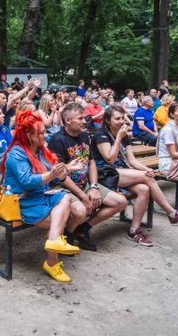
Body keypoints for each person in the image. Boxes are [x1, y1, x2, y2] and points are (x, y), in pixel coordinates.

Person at [91, 105, 178, 245]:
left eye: (123, 118)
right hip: (104, 175)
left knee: (144, 189)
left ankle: (134, 230)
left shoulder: (123, 135)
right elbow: (110, 159)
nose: (121, 121)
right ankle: (172, 213)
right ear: (107, 120)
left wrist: (147, 169)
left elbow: (132, 161)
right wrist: (118, 138)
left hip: (121, 174)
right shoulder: (101, 135)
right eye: (117, 119)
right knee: (147, 178)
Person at [1, 110, 83, 282]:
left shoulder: (40, 150)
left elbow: (56, 175)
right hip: (23, 201)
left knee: (66, 198)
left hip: (41, 195)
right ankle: (52, 261)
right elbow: (27, 182)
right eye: (41, 133)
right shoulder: (16, 153)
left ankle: (53, 243)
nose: (45, 135)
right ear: (29, 135)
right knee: (57, 222)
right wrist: (53, 174)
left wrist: (68, 168)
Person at [48, 103, 128, 252]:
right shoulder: (57, 140)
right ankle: (67, 234)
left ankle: (82, 229)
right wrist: (83, 196)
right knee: (81, 211)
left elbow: (91, 162)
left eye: (84, 118)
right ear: (67, 120)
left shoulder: (84, 135)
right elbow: (61, 176)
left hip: (84, 183)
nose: (84, 121)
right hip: (63, 187)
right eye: (80, 118)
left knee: (121, 202)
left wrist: (94, 186)